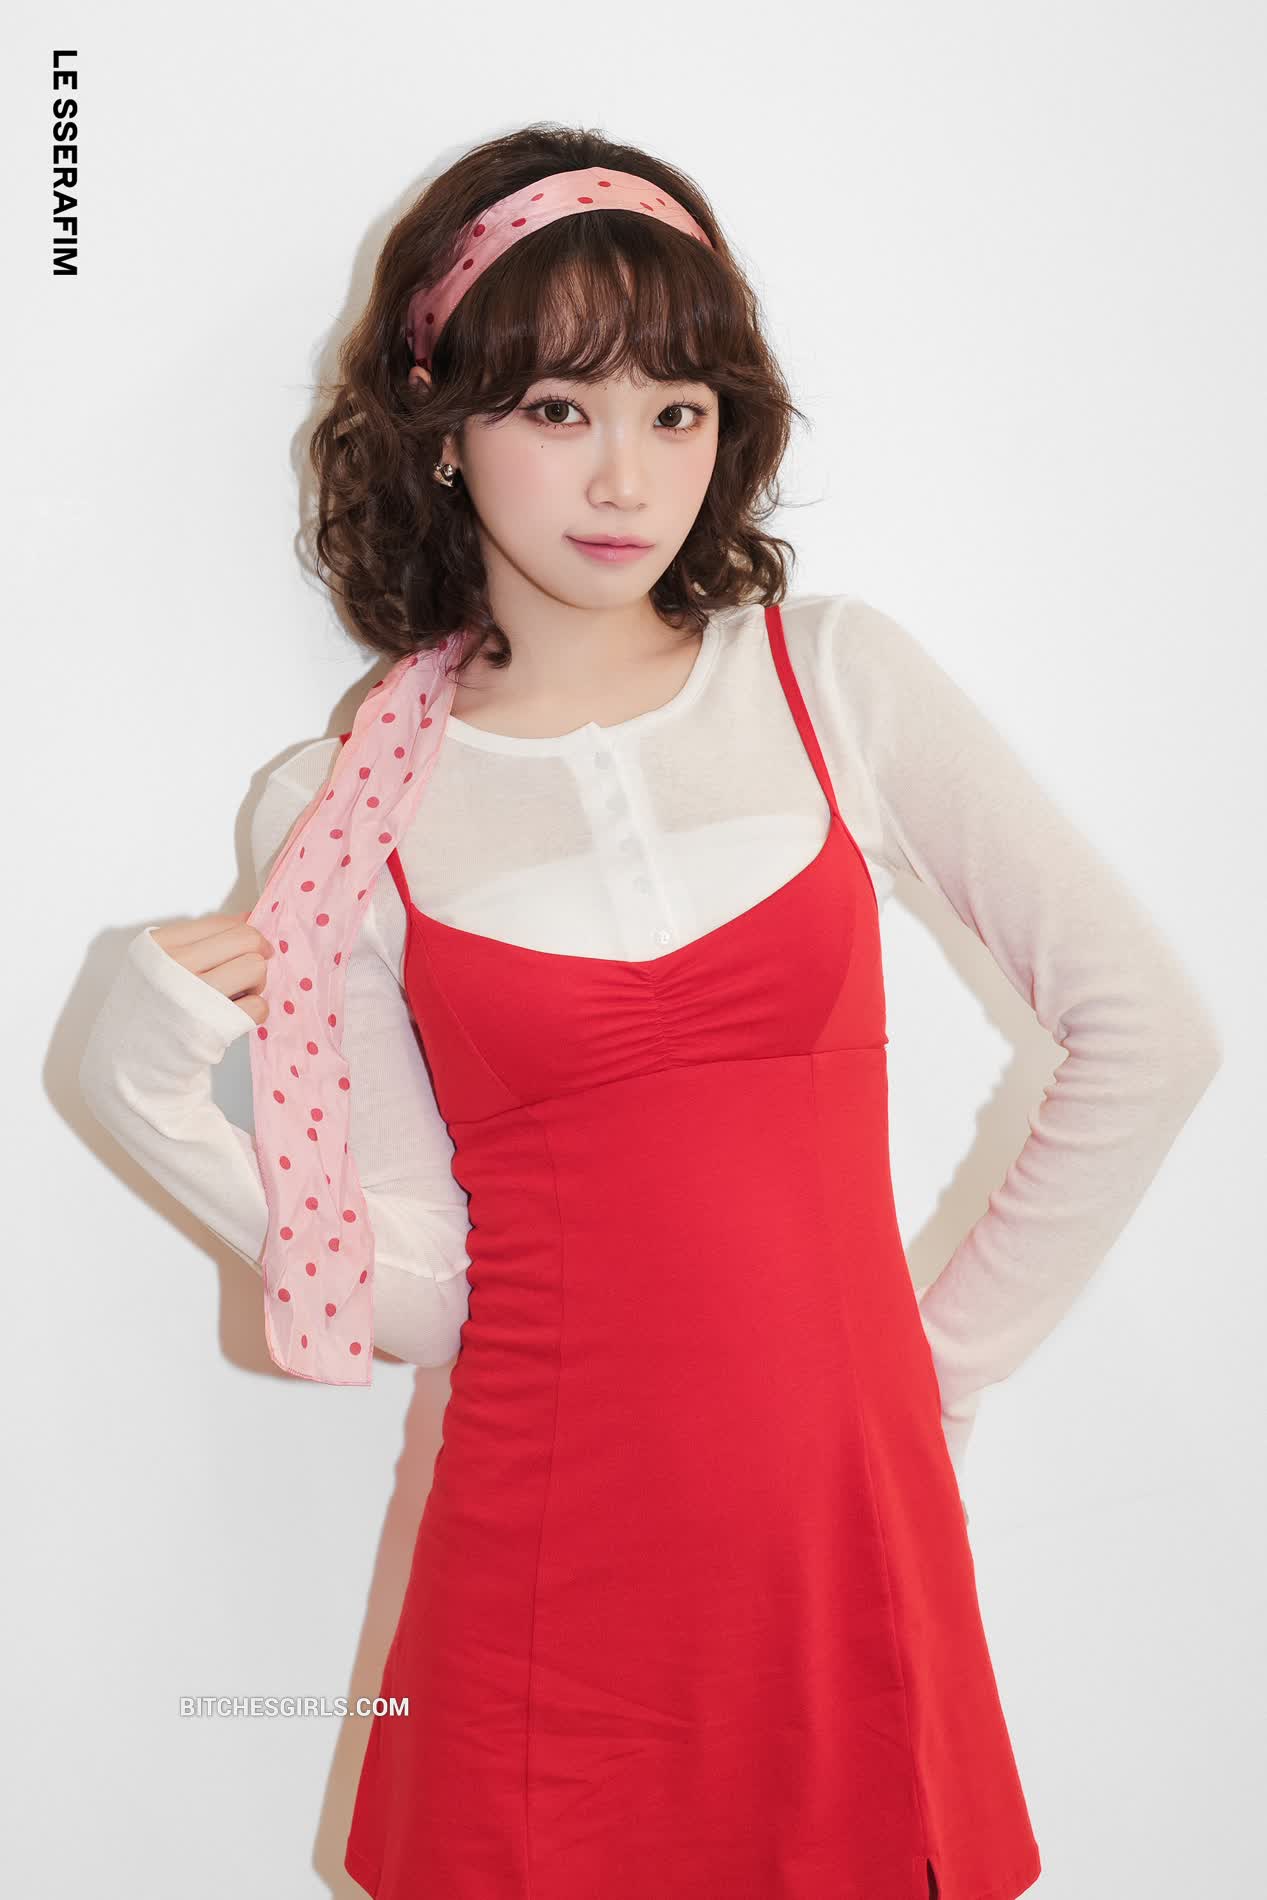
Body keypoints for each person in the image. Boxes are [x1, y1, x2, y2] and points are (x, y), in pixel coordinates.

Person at [78, 121, 1221, 1900]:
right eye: (559, 409)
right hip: (544, 1573)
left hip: (844, 1549)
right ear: (442, 427)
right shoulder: (344, 807)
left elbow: (1148, 1032)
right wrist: (140, 1091)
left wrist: (932, 1367)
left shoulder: (833, 682)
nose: (625, 476)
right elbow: (413, 1292)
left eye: (676, 410)